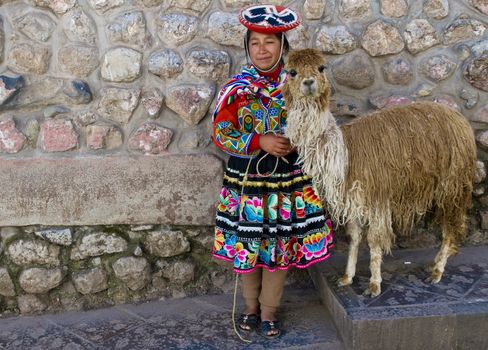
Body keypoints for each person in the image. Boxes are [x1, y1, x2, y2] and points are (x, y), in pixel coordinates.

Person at [211, 4, 334, 339]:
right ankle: (249, 306)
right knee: (249, 245)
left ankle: (269, 311)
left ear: (283, 46)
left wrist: (297, 141)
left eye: (269, 42)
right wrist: (258, 140)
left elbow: (317, 124)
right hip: (246, 181)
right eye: (254, 43)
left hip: (286, 181)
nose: (261, 50)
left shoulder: (298, 84)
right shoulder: (238, 88)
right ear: (247, 47)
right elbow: (221, 132)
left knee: (278, 247)